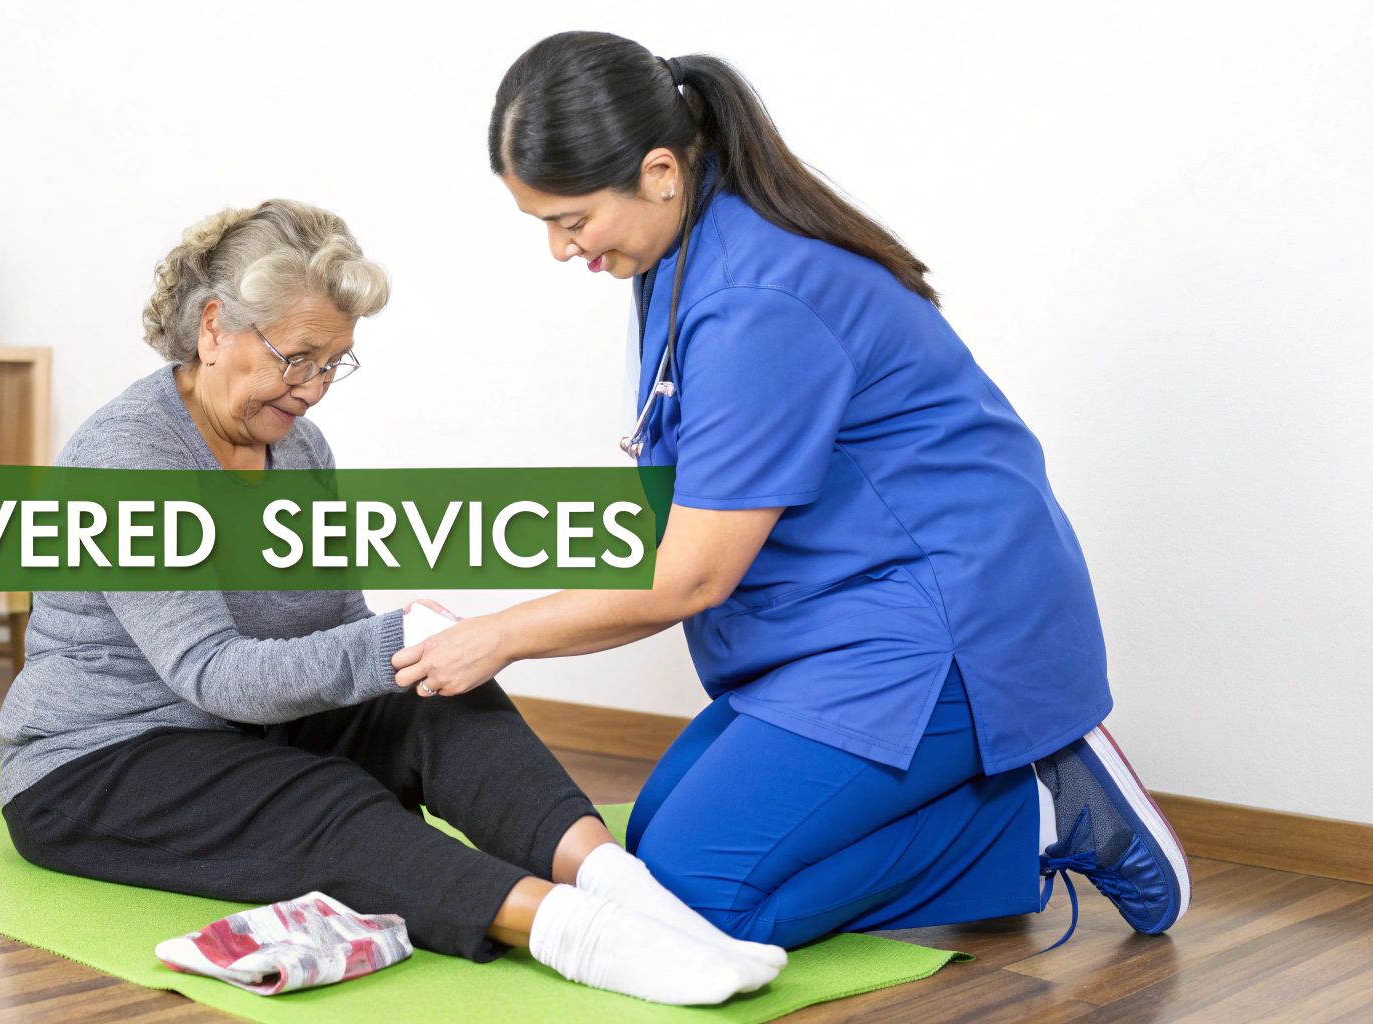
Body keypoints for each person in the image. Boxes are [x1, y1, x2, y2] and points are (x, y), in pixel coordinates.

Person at [392, 31, 1190, 952]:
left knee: (698, 899)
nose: (560, 249)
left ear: (659, 172)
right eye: (542, 223)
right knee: (649, 846)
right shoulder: (682, 251)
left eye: (571, 220)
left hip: (948, 627)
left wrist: (499, 636)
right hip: (840, 615)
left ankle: (1044, 812)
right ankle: (999, 803)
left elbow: (693, 576)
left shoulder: (754, 298)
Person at [0, 200, 787, 1006]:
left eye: (333, 364)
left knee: (433, 694)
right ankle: (580, 936)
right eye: (297, 359)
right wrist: (394, 638)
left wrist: (420, 655)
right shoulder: (129, 455)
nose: (313, 389)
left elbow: (338, 628)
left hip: (248, 734)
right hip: (103, 762)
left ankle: (618, 884)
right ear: (213, 329)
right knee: (328, 799)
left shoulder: (298, 448)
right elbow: (213, 674)